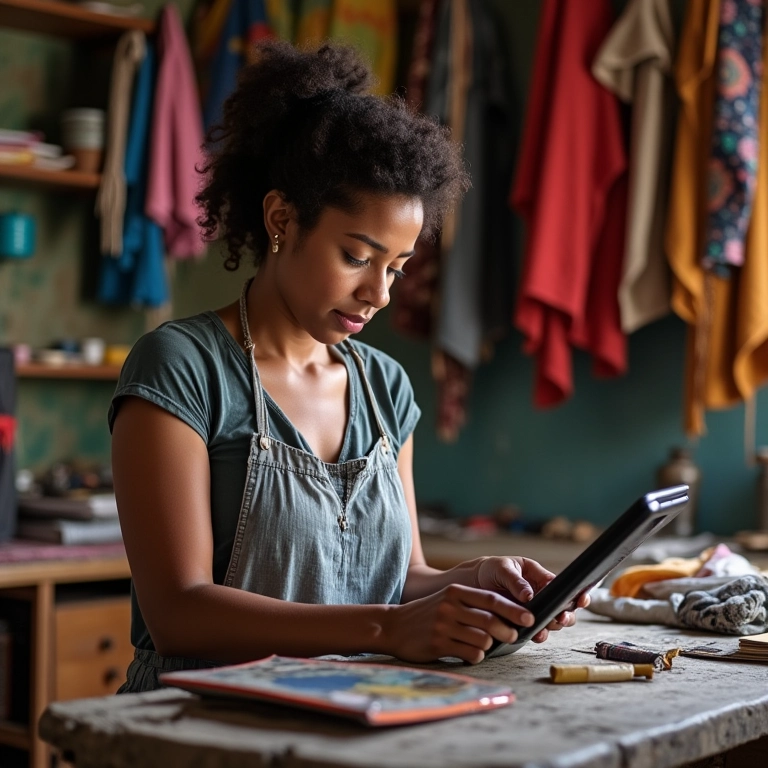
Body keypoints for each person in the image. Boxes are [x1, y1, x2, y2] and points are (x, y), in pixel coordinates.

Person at [110, 40, 589, 693]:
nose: (380, 293)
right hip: (197, 725)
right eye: (357, 256)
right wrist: (388, 631)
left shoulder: (385, 386)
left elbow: (403, 578)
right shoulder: (182, 368)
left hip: (353, 714)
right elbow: (178, 613)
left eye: (396, 266)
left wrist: (478, 586)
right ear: (281, 219)